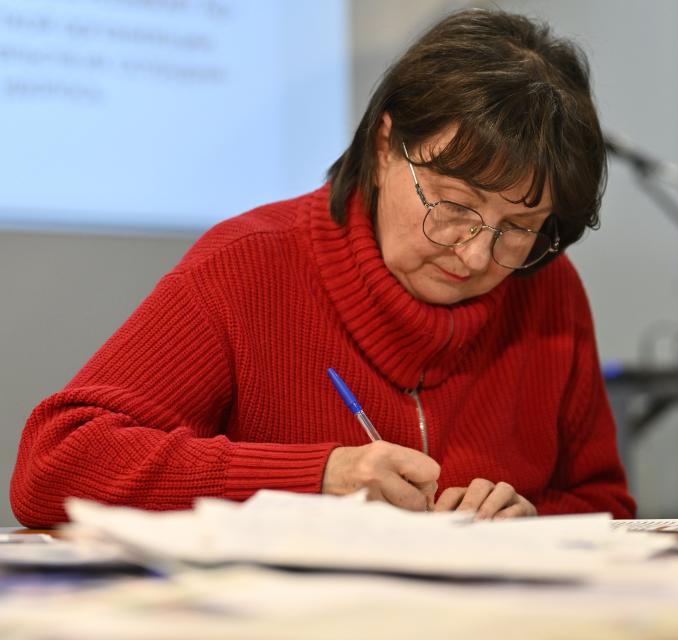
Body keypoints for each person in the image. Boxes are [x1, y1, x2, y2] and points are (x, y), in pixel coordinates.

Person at [10, 9, 636, 527]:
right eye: (454, 207)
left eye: (520, 229)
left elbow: (602, 506)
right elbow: (53, 466)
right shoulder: (250, 266)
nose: (476, 255)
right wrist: (315, 476)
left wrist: (530, 524)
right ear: (386, 144)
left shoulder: (547, 291)